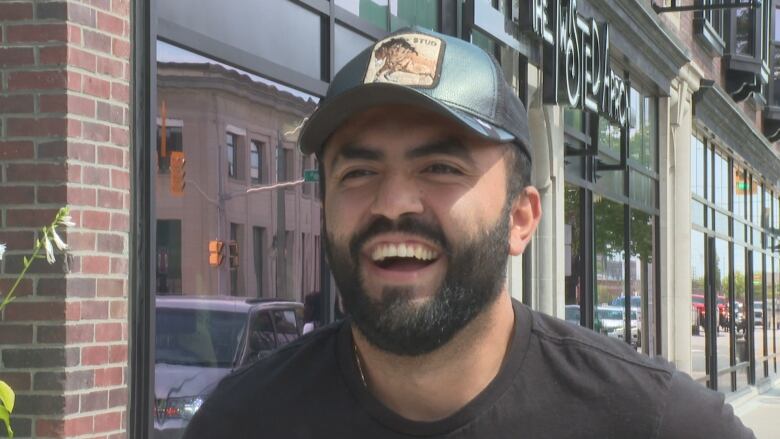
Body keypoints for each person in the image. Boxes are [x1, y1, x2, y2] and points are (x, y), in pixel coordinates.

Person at [183, 27, 754, 438]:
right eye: (358, 173)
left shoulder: (656, 422)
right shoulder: (241, 421)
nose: (392, 204)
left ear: (521, 219)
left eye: (441, 168)